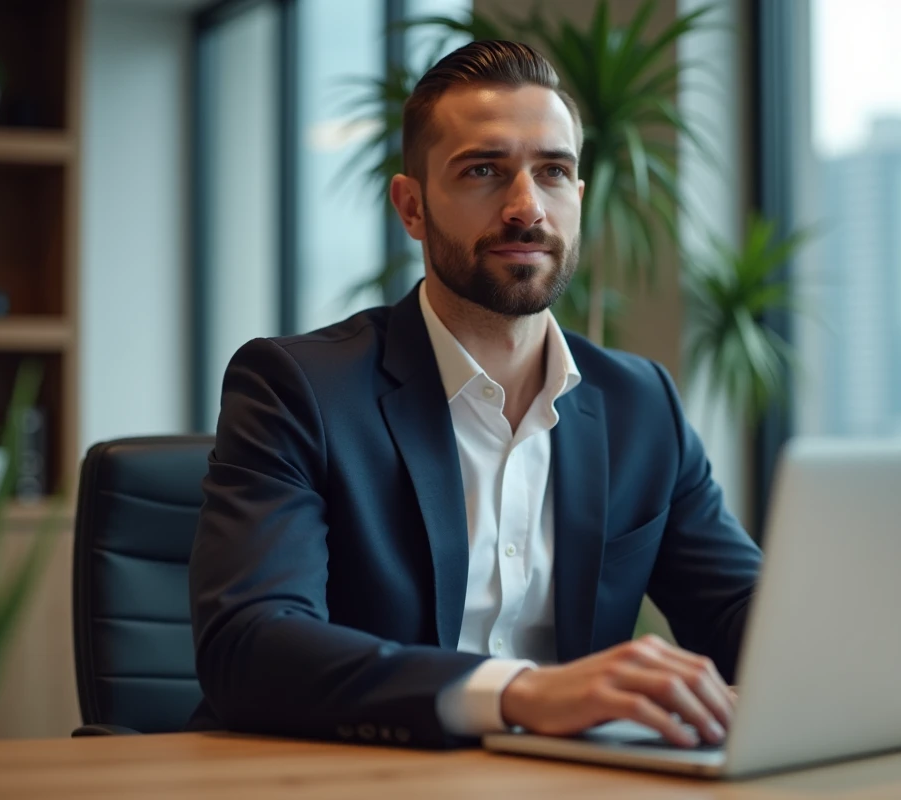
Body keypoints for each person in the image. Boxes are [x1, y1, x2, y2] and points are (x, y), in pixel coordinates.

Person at [188, 39, 762, 751]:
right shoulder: (297, 388)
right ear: (412, 206)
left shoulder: (641, 406)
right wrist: (520, 692)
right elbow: (250, 645)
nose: (527, 208)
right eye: (484, 171)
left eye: (553, 172)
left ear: (577, 199)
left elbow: (747, 618)